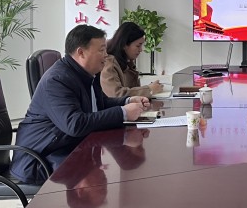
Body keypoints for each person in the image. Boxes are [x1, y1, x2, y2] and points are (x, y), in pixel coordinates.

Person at [11, 24, 149, 185]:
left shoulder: (88, 73)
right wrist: (123, 112)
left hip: (69, 146)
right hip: (41, 158)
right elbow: (75, 124)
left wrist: (128, 101)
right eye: (101, 50)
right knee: (102, 171)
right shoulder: (57, 80)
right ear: (81, 52)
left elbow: (100, 103)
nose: (106, 55)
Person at [101, 21, 164, 98]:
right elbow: (116, 94)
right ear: (124, 45)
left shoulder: (127, 61)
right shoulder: (109, 64)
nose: (141, 50)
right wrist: (149, 89)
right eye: (138, 46)